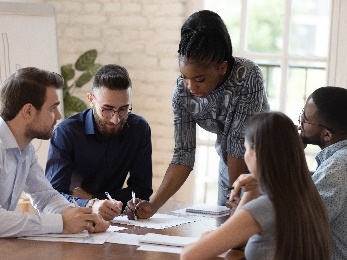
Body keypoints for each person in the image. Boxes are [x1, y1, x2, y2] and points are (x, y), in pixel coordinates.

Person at [124, 10, 269, 219]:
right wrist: (153, 205)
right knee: (228, 237)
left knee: (254, 239)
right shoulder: (182, 92)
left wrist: (234, 197)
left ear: (222, 67)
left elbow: (239, 145)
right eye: (185, 77)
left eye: (199, 79)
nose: (191, 86)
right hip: (229, 168)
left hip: (264, 167)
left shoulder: (247, 75)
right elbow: (183, 154)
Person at [180, 111, 331, 260]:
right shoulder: (308, 198)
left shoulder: (267, 206)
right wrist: (252, 190)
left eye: (246, 148)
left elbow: (189, 255)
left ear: (257, 151)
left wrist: (207, 238)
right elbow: (238, 240)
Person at [0, 67, 109, 237]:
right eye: (52, 108)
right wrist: (61, 223)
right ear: (28, 111)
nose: (58, 116)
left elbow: (45, 196)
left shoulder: (25, 150)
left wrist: (84, 218)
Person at [45, 64, 153, 221]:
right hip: (73, 222)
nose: (115, 119)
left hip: (117, 223)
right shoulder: (67, 133)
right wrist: (90, 204)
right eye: (107, 109)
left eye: (123, 109)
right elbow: (53, 196)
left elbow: (142, 191)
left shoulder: (139, 129)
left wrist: (93, 199)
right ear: (90, 99)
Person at [297, 86, 347, 260]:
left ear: (327, 134)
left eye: (306, 119)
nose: (300, 122)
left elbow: (299, 223)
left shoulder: (338, 166)